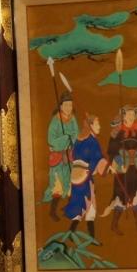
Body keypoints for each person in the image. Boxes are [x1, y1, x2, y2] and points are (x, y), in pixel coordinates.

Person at [103, 104, 137, 234]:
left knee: (136, 196)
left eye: (133, 114)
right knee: (121, 197)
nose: (132, 116)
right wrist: (121, 164)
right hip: (122, 170)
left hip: (135, 169)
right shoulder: (117, 131)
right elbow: (112, 150)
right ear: (124, 116)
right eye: (129, 114)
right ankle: (114, 225)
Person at [63, 114, 107, 241]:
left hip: (76, 178)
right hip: (85, 179)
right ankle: (91, 238)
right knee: (90, 207)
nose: (99, 126)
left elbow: (73, 156)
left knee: (80, 206)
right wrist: (106, 165)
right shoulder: (93, 142)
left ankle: (71, 233)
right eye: (97, 124)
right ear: (91, 126)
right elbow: (96, 160)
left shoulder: (78, 140)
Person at [43, 93, 79, 221]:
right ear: (61, 106)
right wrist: (65, 139)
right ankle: (52, 212)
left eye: (70, 105)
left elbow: (76, 134)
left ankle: (70, 210)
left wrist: (70, 139)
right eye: (66, 105)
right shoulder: (55, 121)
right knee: (58, 186)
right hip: (58, 159)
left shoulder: (73, 119)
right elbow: (51, 140)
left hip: (69, 156)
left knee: (71, 184)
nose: (69, 108)